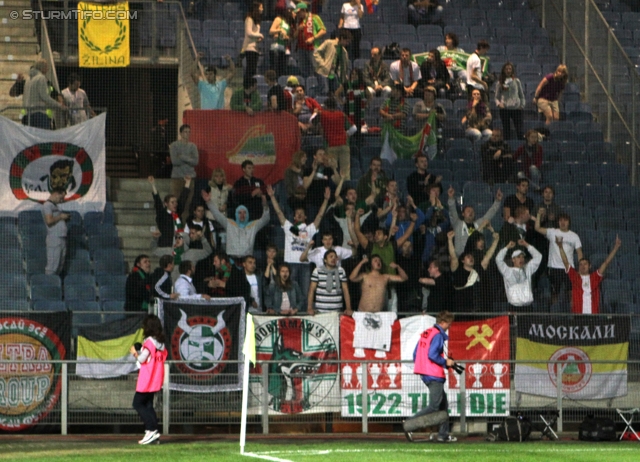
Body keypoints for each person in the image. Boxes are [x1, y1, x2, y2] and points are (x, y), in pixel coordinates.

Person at [267, 184, 330, 310]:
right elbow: (279, 213)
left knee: (306, 292)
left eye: (302, 213)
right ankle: (290, 312)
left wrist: (326, 200)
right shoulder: (290, 228)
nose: (299, 215)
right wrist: (272, 197)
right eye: (297, 214)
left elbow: (320, 216)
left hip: (305, 264)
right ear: (294, 217)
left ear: (305, 217)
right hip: (291, 264)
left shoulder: (310, 229)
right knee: (289, 292)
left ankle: (305, 315)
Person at [406, 310, 457, 443]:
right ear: (443, 322)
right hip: (434, 374)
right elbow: (432, 355)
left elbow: (416, 353)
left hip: (425, 373)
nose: (450, 326)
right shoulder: (438, 335)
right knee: (435, 406)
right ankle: (409, 423)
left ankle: (443, 434)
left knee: (443, 405)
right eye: (449, 324)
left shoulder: (427, 333)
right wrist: (446, 362)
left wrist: (422, 368)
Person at [556, 235, 621, 314]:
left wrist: (615, 248)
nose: (583, 266)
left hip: (593, 317)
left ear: (590, 266)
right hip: (578, 317)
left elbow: (606, 263)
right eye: (581, 264)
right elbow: (565, 262)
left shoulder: (595, 277)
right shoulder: (575, 277)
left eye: (585, 264)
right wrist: (560, 247)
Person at [130, 315, 167, 445]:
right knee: (148, 405)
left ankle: (151, 429)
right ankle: (153, 432)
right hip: (156, 378)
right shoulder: (161, 342)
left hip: (147, 378)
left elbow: (142, 359)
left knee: (137, 403)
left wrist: (135, 352)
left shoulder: (149, 341)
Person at [202, 189, 270, 260]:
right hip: (231, 260)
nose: (242, 215)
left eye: (244, 212)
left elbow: (265, 219)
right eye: (239, 213)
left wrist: (265, 205)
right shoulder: (230, 224)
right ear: (236, 214)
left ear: (248, 214)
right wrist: (209, 202)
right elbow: (218, 215)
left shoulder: (253, 225)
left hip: (246, 261)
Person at [535, 210, 583, 304]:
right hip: (554, 268)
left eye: (565, 220)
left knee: (571, 293)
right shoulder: (552, 232)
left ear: (569, 222)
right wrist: (538, 215)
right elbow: (537, 228)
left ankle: (574, 315)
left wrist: (580, 269)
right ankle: (553, 316)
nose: (563, 222)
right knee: (554, 293)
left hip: (569, 269)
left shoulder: (574, 236)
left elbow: (579, 252)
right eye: (561, 220)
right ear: (558, 222)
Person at [447, 185, 503, 256]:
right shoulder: (457, 224)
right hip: (461, 258)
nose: (471, 212)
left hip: (476, 257)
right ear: (463, 214)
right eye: (468, 211)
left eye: (472, 211)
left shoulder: (479, 223)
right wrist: (451, 198)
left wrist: (497, 201)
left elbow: (490, 213)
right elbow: (452, 210)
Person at [148, 175, 190, 258]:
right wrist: (153, 184)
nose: (175, 204)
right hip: (166, 246)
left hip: (178, 245)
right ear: (166, 204)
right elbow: (157, 200)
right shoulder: (162, 213)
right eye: (172, 202)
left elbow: (183, 199)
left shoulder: (177, 212)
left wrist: (188, 183)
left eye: (175, 202)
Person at [496, 239, 542, 309]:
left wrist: (526, 245)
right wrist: (507, 247)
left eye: (522, 257)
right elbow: (498, 259)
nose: (521, 259)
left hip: (528, 306)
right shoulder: (508, 271)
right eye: (518, 257)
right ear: (513, 259)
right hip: (515, 307)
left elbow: (538, 256)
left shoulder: (527, 269)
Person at [319, 97, 356, 179]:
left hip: (330, 146)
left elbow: (312, 122)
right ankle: (346, 189)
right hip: (344, 145)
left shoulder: (322, 114)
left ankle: (335, 190)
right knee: (345, 173)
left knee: (332, 172)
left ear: (326, 106)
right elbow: (354, 128)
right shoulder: (342, 114)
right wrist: (346, 134)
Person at [307, 249, 353, 315]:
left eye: (335, 257)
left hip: (337, 310)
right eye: (331, 257)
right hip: (321, 310)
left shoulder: (341, 270)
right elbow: (311, 290)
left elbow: (345, 290)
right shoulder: (317, 270)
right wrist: (309, 308)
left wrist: (348, 308)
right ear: (325, 260)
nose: (333, 258)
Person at [23, 60, 65, 129]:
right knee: (44, 137)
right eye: (46, 67)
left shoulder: (28, 80)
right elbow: (44, 96)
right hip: (39, 113)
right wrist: (59, 105)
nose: (48, 69)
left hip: (28, 113)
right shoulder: (41, 78)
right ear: (42, 68)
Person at [169, 125, 198, 220]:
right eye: (185, 131)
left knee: (188, 202)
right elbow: (174, 162)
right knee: (176, 202)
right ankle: (176, 224)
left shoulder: (193, 146)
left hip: (190, 177)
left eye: (189, 131)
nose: (188, 133)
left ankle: (185, 225)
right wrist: (189, 158)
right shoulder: (174, 145)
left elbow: (195, 162)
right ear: (180, 133)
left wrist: (182, 156)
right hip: (177, 177)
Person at [313, 28, 351, 95]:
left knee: (336, 92)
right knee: (325, 90)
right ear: (342, 38)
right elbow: (316, 53)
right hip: (323, 72)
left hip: (334, 74)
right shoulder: (329, 43)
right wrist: (323, 64)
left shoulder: (344, 52)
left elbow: (343, 67)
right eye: (346, 41)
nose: (347, 44)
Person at [334, 68, 370, 138]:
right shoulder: (346, 84)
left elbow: (370, 96)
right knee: (348, 129)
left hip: (359, 111)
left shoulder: (362, 85)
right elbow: (336, 93)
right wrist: (341, 102)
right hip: (348, 111)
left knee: (358, 131)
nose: (354, 76)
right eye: (352, 74)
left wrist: (366, 104)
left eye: (356, 74)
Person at [412, 86, 446, 159]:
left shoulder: (438, 106)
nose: (427, 96)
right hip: (421, 134)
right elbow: (415, 116)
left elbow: (443, 117)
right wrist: (428, 115)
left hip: (434, 135)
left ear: (434, 96)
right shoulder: (419, 104)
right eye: (425, 94)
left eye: (429, 94)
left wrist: (435, 115)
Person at [294, 2, 326, 77]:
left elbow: (323, 30)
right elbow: (294, 36)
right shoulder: (298, 21)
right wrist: (298, 29)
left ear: (304, 10)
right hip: (301, 48)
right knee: (303, 69)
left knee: (316, 67)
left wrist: (313, 38)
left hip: (313, 47)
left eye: (299, 12)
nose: (298, 15)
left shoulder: (315, 17)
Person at [42, 187, 69, 275]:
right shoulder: (47, 205)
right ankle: (49, 286)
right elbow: (49, 221)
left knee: (60, 266)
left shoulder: (55, 206)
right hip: (54, 238)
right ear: (56, 194)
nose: (61, 200)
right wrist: (61, 217)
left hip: (61, 238)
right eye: (61, 197)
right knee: (52, 267)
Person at [495, 62, 525, 141]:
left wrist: (522, 106)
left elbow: (521, 95)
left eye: (510, 69)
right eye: (506, 69)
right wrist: (498, 104)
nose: (508, 70)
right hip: (505, 109)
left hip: (516, 109)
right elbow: (496, 97)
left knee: (520, 131)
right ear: (503, 70)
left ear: (512, 70)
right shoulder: (500, 83)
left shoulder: (517, 81)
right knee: (506, 131)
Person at [242, 2, 265, 79]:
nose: (262, 9)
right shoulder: (249, 19)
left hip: (255, 48)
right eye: (261, 7)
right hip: (249, 48)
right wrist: (260, 35)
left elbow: (254, 34)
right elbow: (249, 33)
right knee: (250, 70)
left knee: (253, 71)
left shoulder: (257, 21)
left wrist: (258, 38)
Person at [269, 7, 292, 78]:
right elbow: (271, 31)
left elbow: (288, 36)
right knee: (275, 69)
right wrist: (279, 30)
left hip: (283, 48)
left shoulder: (287, 22)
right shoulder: (278, 19)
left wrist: (287, 38)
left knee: (281, 70)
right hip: (276, 48)